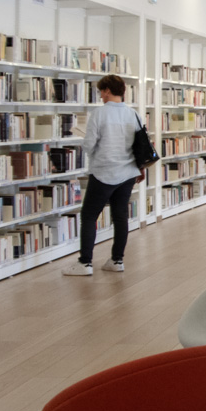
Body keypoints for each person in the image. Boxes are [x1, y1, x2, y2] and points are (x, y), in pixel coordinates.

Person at [64, 75, 144, 276]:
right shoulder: (133, 114)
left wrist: (87, 143)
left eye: (101, 91)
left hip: (103, 172)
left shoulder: (99, 114)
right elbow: (140, 144)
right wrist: (141, 168)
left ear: (107, 90)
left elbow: (89, 145)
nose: (100, 95)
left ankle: (85, 263)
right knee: (120, 216)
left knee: (89, 215)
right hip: (127, 172)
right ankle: (117, 260)